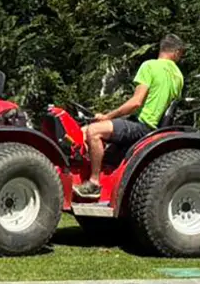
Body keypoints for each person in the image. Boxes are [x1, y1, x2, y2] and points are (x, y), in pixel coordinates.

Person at [73, 34, 185, 199]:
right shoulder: (179, 77)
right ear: (176, 52)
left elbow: (136, 103)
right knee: (82, 131)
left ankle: (94, 183)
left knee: (93, 131)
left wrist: (107, 116)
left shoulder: (150, 66)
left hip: (142, 125)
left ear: (162, 48)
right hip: (154, 128)